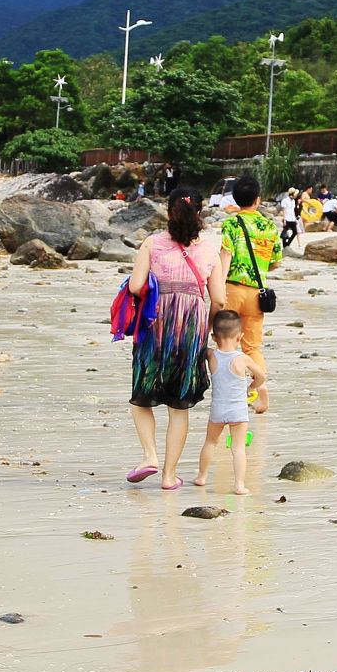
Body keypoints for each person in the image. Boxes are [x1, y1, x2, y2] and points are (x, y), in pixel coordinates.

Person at [123, 192, 226, 486]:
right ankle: (168, 476)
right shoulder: (209, 251)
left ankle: (149, 456)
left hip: (155, 322)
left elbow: (136, 285)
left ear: (169, 214)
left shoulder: (152, 243)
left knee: (142, 395)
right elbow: (218, 299)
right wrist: (206, 329)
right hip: (193, 325)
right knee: (179, 406)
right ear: (199, 214)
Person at [193, 308, 268, 494]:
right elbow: (261, 377)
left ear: (214, 336)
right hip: (238, 411)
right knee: (238, 448)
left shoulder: (211, 355)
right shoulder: (243, 359)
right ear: (240, 336)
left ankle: (201, 477)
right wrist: (250, 388)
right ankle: (239, 485)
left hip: (218, 409)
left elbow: (198, 350)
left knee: (210, 442)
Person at [217, 173, 283, 383]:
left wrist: (218, 284)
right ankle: (259, 387)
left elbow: (226, 255)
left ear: (235, 200)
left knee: (228, 343)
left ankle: (233, 387)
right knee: (253, 346)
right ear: (258, 200)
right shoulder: (270, 226)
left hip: (233, 289)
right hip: (258, 293)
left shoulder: (231, 223)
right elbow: (276, 262)